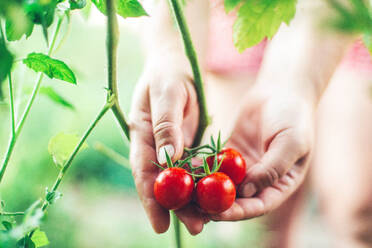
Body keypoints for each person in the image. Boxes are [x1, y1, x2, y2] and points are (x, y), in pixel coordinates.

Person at [129, 0, 372, 247]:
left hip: (348, 11)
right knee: (256, 223)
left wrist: (299, 82)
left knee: (361, 213)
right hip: (235, 9)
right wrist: (173, 55)